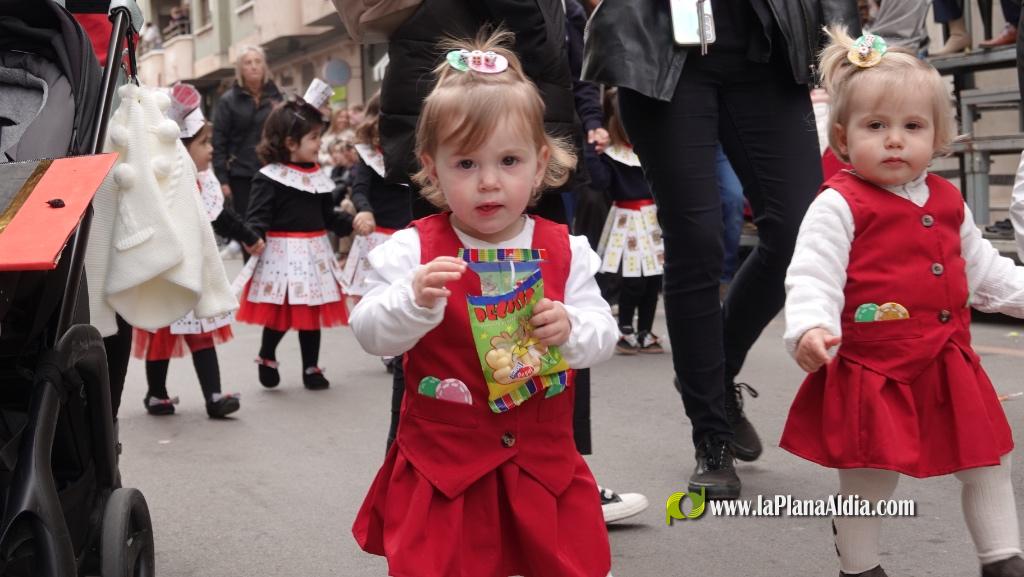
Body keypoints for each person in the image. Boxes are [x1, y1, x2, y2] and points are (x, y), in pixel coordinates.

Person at [350, 31, 617, 577]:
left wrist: (569, 328)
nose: (489, 182)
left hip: (542, 466)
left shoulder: (566, 251)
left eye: (509, 161)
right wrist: (414, 301)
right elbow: (369, 330)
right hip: (444, 467)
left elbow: (602, 334)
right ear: (432, 167)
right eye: (466, 164)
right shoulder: (412, 251)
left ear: (540, 165)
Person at [583, 0, 860, 500]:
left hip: (766, 48)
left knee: (800, 233)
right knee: (696, 241)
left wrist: (846, 44)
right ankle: (711, 434)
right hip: (660, 49)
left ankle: (717, 369)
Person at [782, 28, 1024, 577]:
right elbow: (812, 275)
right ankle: (860, 567)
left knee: (988, 460)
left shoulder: (948, 199)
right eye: (876, 126)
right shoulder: (838, 204)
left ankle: (1003, 561)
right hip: (873, 366)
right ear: (842, 138)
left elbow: (985, 274)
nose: (895, 140)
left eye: (912, 126)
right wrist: (811, 327)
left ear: (939, 135)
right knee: (869, 476)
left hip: (947, 360)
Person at [133, 85, 264, 418]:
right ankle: (156, 393)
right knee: (160, 335)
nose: (211, 149)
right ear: (180, 147)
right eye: (204, 143)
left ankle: (215, 396)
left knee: (202, 332)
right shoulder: (163, 180)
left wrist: (248, 236)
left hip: (195, 273)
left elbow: (220, 216)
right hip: (165, 272)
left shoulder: (204, 182)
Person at [237, 94, 354, 391]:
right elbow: (257, 216)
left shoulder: (318, 176)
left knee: (311, 312)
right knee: (281, 312)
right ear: (291, 143)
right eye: (314, 137)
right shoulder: (270, 177)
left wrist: (352, 224)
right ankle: (267, 355)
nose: (319, 144)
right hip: (282, 256)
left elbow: (328, 217)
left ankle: (311, 367)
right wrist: (254, 236)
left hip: (315, 254)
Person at [590, 87, 665, 355]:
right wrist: (592, 152)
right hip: (626, 218)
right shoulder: (611, 155)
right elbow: (599, 182)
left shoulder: (653, 148)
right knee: (633, 278)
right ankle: (625, 328)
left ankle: (644, 330)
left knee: (653, 279)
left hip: (652, 219)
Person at [212, 45, 282, 247]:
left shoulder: (276, 97)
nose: (253, 67)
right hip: (242, 175)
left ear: (265, 66)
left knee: (274, 225)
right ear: (240, 69)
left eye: (258, 61)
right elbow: (219, 142)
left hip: (273, 171)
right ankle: (250, 274)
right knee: (249, 229)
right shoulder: (228, 100)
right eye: (248, 62)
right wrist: (222, 179)